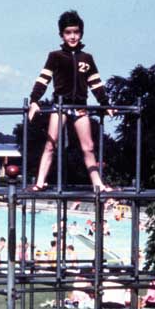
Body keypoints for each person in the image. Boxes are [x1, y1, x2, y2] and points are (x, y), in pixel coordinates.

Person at [28, 10, 109, 191]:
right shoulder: (55, 56)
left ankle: (98, 183)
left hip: (80, 107)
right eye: (68, 32)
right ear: (62, 34)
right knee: (51, 143)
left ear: (81, 33)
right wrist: (34, 100)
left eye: (76, 32)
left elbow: (95, 83)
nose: (73, 36)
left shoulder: (87, 58)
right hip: (60, 106)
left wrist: (106, 103)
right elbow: (43, 79)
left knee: (88, 147)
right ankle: (40, 181)